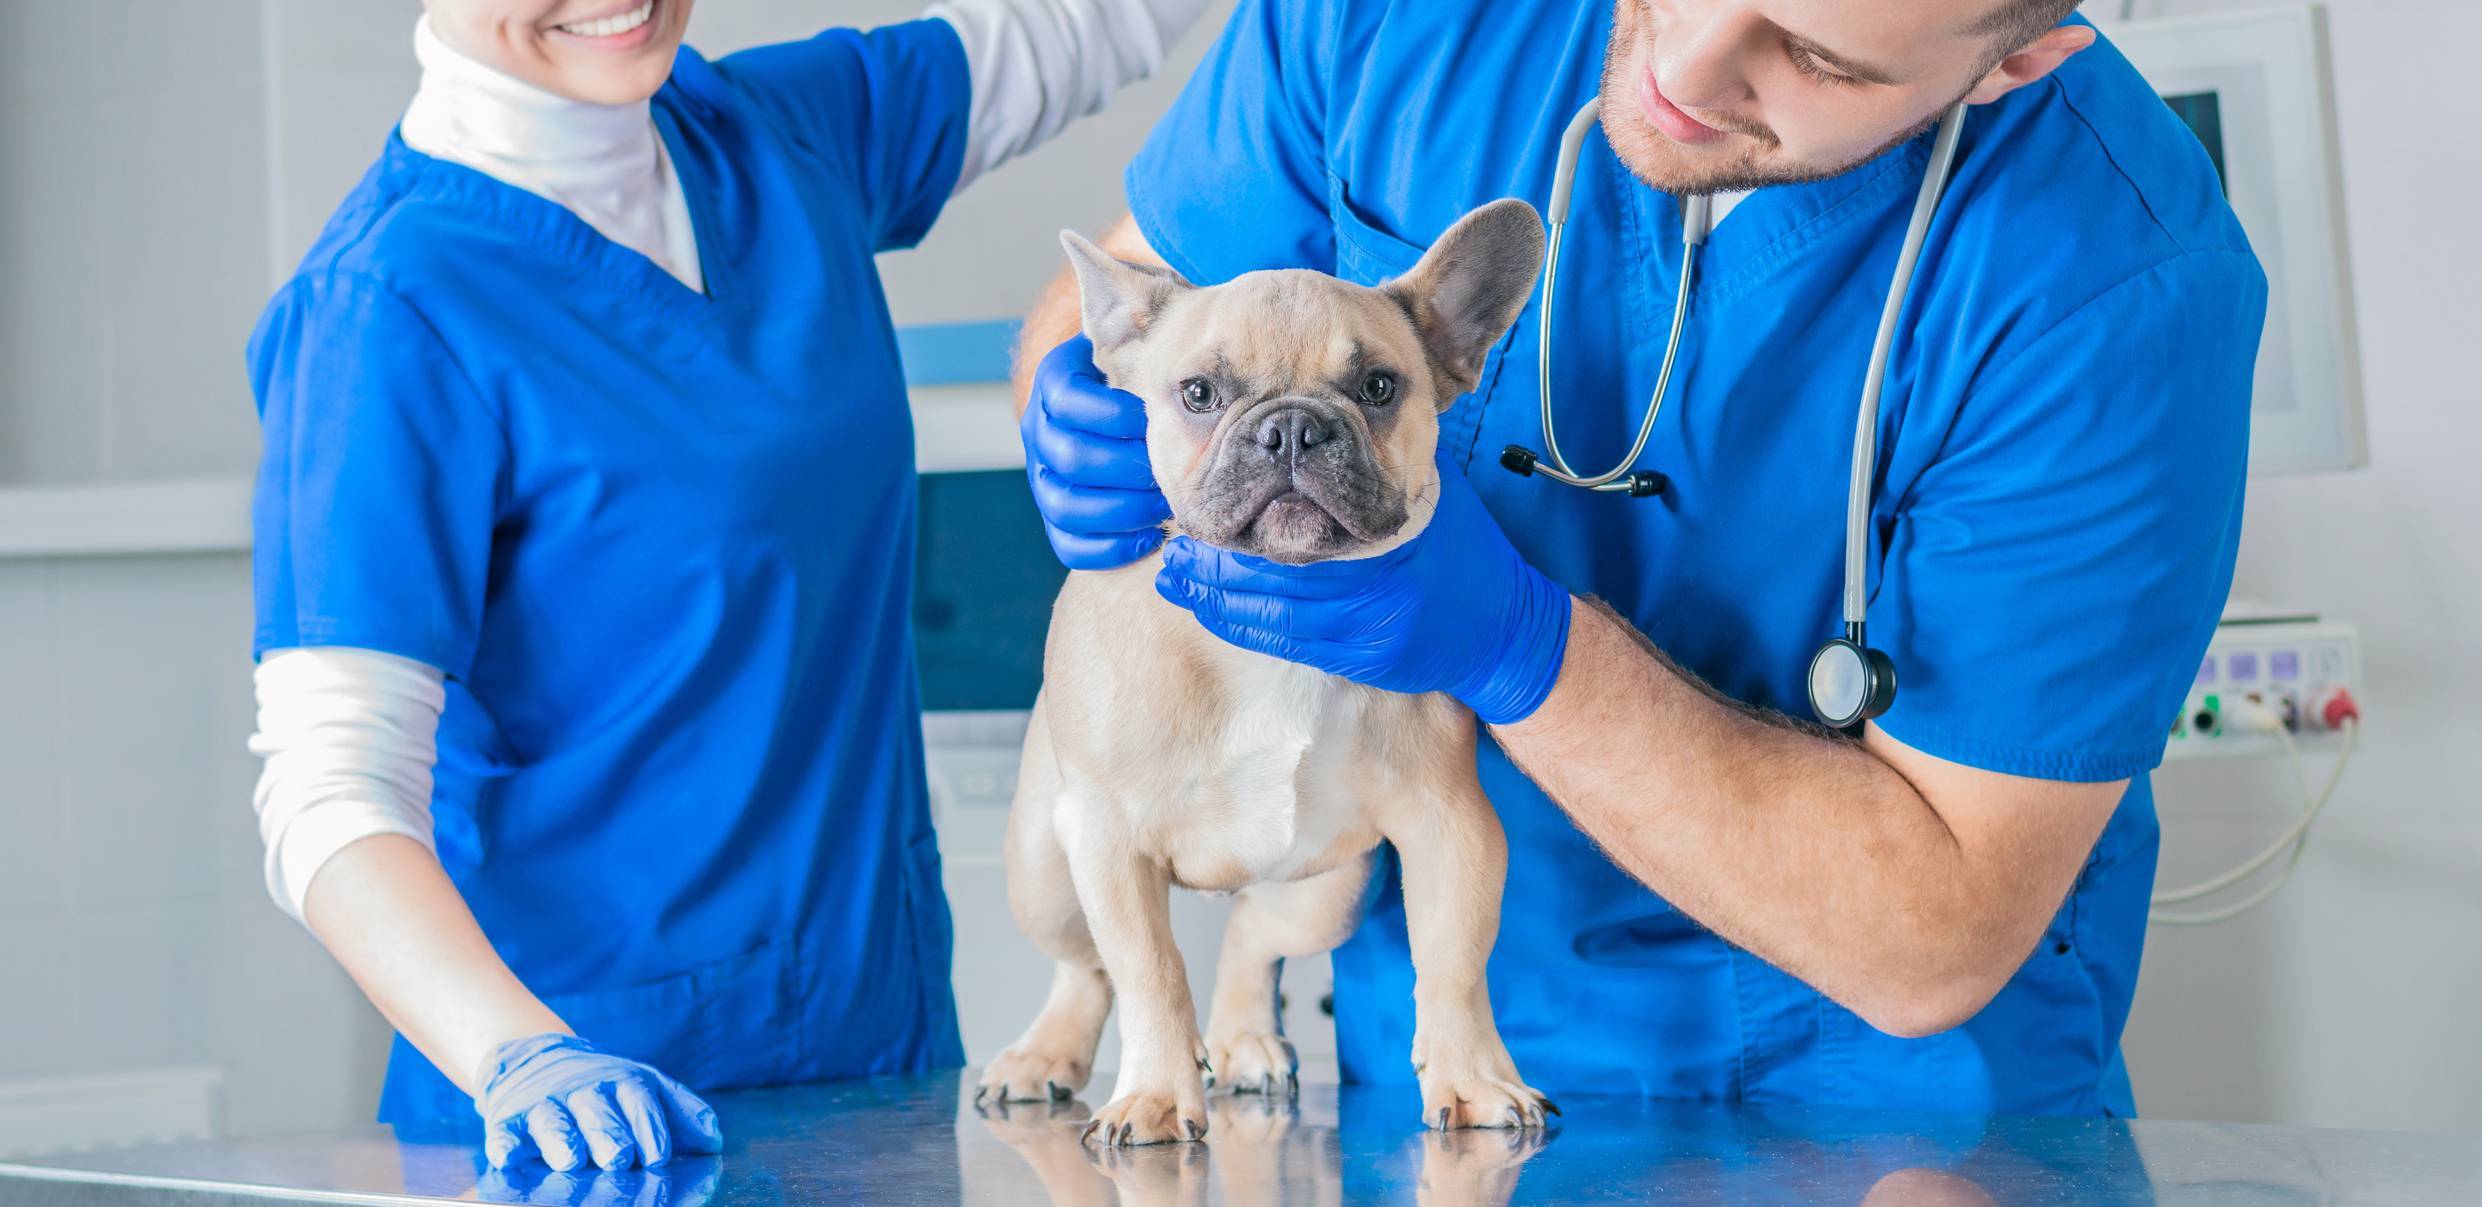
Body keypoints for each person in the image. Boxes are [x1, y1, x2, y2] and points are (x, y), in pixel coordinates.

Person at [1017, 0, 2264, 1116]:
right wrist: (1063, 400)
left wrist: (1524, 649)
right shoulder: (1375, 20)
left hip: (1884, 1118)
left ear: (2017, 55)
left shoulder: (2116, 286)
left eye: (1813, 56)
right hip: (1443, 1064)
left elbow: (1931, 936)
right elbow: (1106, 299)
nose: (1692, 58)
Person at [246, 0, 1204, 1170]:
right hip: (586, 1120)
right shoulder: (385, 310)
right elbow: (327, 792)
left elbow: (1088, 24)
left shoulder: (774, 134)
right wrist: (518, 1053)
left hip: (875, 1069)